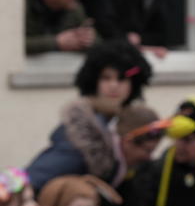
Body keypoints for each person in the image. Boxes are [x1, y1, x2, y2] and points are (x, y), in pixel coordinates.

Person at [27, 40, 152, 192]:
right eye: (106, 78)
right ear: (94, 81)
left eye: (121, 79)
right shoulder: (82, 132)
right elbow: (37, 178)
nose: (114, 85)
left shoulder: (128, 122)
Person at [24, 0, 94, 55]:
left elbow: (99, 44)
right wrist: (56, 42)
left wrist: (87, 38)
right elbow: (10, 44)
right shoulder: (24, 8)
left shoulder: (74, 8)